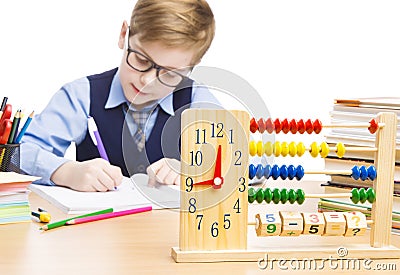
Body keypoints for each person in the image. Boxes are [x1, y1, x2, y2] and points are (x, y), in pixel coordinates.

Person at [21, 0, 218, 192]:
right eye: (141, 60)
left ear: (192, 66)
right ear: (124, 35)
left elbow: (242, 159)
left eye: (169, 73)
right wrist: (65, 171)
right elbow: (18, 153)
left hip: (169, 225)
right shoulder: (82, 95)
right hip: (94, 224)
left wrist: (197, 170)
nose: (147, 81)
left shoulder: (196, 100)